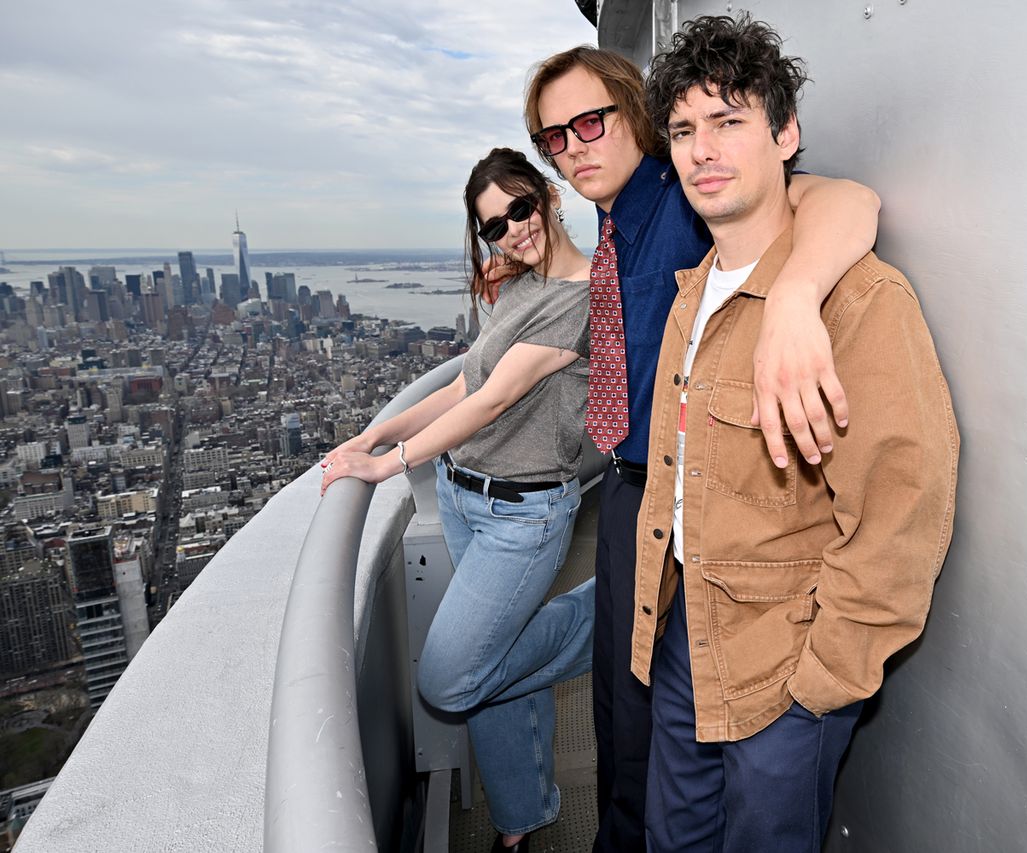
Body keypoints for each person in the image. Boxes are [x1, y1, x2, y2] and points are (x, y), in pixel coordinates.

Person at [523, 44, 883, 852]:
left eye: (590, 121)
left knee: (648, 728)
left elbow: (847, 198)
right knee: (620, 706)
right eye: (555, 136)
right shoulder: (618, 226)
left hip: (698, 505)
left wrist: (795, 294)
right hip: (636, 494)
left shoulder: (686, 197)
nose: (574, 144)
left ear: (633, 115)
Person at [630, 15, 959, 852]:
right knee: (673, 839)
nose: (703, 149)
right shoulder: (690, 291)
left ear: (785, 134)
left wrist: (819, 684)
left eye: (730, 120)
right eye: (683, 129)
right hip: (683, 636)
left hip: (785, 665)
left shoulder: (857, 301)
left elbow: (901, 508)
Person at [320, 148, 594, 853]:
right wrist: (375, 436)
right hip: (465, 494)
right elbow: (466, 384)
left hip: (522, 515)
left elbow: (498, 398)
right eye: (494, 226)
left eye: (520, 208)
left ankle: (604, 612)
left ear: (549, 195)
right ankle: (519, 816)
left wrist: (387, 469)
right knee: (493, 668)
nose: (513, 231)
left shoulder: (580, 292)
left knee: (449, 679)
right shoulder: (519, 285)